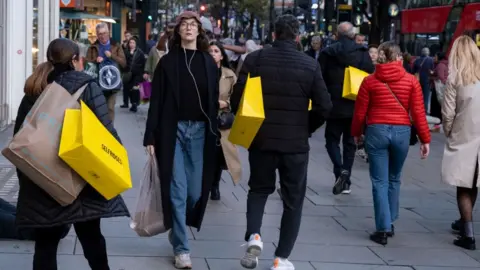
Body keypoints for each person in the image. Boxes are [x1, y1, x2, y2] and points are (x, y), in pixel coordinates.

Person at [14, 38, 129, 270]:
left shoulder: (35, 89)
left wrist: (27, 178)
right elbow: (105, 132)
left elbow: (20, 137)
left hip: (44, 178)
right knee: (91, 238)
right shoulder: (87, 86)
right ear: (76, 60)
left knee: (46, 244)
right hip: (81, 178)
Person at [231, 14, 332, 270]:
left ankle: (254, 235)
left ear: (273, 34)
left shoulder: (255, 59)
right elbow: (325, 106)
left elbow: (236, 99)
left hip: (261, 140)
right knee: (293, 200)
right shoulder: (309, 65)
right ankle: (281, 258)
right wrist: (306, 126)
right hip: (295, 145)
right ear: (297, 36)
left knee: (258, 190)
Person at [143, 11, 219, 269]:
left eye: (193, 25)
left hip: (199, 132)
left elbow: (212, 101)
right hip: (172, 131)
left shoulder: (209, 62)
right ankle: (182, 249)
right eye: (184, 25)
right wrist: (150, 135)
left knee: (195, 193)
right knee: (176, 189)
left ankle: (176, 230)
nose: (188, 28)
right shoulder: (167, 62)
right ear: (178, 32)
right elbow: (156, 102)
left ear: (199, 31)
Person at [351, 41, 430, 246]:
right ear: (398, 58)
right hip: (402, 131)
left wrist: (356, 133)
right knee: (394, 178)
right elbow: (418, 113)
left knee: (379, 181)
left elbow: (360, 112)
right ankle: (391, 219)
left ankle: (383, 227)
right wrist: (425, 139)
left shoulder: (369, 81)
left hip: (376, 131)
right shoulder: (411, 81)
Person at [319, 22, 375, 195]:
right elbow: (370, 77)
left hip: (334, 104)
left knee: (331, 140)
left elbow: (319, 77)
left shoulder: (327, 53)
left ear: (337, 34)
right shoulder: (363, 54)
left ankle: (340, 171)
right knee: (350, 143)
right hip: (354, 104)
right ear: (352, 34)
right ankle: (346, 178)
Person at [442, 36, 480, 250]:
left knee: (463, 185)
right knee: (473, 183)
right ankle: (465, 223)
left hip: (464, 135)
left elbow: (448, 113)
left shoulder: (455, 78)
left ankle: (468, 234)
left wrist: (449, 132)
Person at [208, 41, 242, 201]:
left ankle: (214, 185)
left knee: (218, 155)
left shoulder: (229, 74)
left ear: (221, 55)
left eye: (216, 51)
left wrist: (226, 103)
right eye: (210, 51)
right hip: (204, 118)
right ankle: (204, 184)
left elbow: (237, 99)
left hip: (222, 121)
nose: (213, 53)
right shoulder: (200, 72)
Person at [85, 23, 127, 123]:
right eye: (100, 34)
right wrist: (95, 60)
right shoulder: (93, 47)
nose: (102, 36)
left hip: (113, 82)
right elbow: (88, 63)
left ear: (108, 33)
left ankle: (109, 130)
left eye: (104, 33)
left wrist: (111, 56)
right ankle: (101, 129)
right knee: (98, 108)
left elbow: (124, 63)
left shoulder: (116, 45)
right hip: (98, 83)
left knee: (110, 107)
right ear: (97, 35)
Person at [120, 37, 146, 113]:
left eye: (133, 43)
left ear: (136, 44)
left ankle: (135, 104)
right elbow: (124, 63)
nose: (131, 44)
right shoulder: (126, 52)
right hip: (128, 74)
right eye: (130, 43)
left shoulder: (140, 52)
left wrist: (144, 72)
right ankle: (132, 103)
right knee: (129, 90)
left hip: (137, 74)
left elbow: (143, 63)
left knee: (135, 89)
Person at [413, 47, 435, 113]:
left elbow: (413, 70)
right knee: (426, 97)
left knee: (418, 96)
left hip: (418, 80)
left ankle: (417, 110)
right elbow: (432, 70)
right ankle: (424, 111)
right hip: (427, 80)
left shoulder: (417, 60)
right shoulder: (431, 60)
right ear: (428, 52)